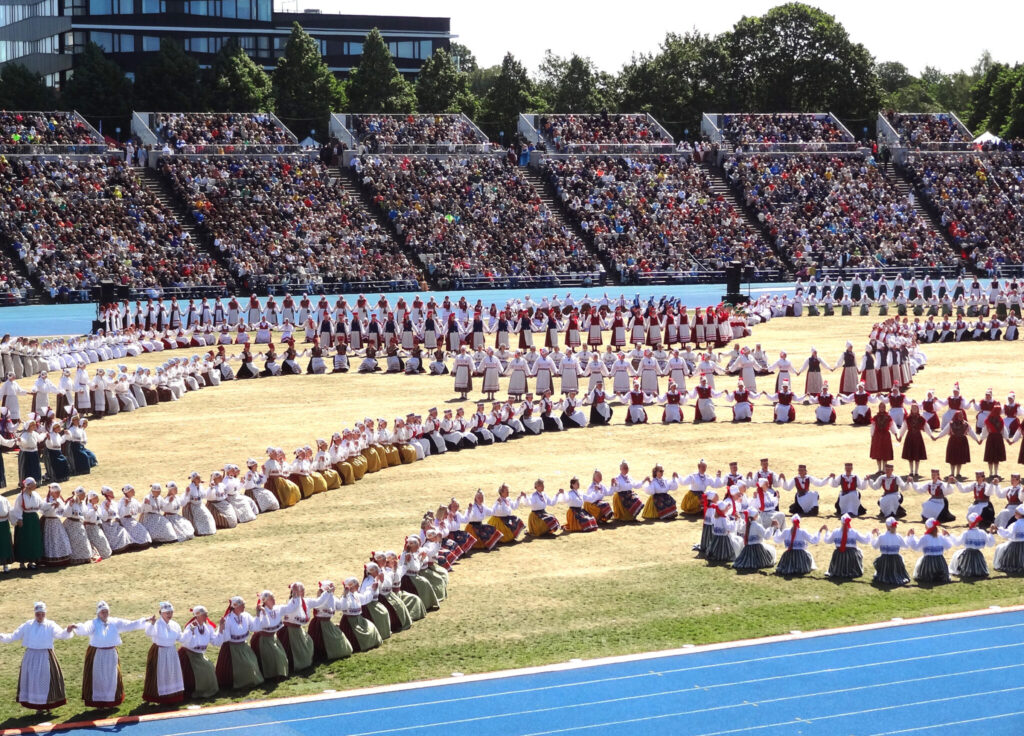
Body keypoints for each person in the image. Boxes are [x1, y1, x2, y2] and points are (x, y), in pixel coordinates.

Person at [71, 601, 147, 708]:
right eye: (102, 612)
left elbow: (129, 624)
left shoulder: (114, 622)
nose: (104, 613)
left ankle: (111, 701)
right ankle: (99, 703)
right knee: (98, 678)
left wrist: (145, 621)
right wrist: (78, 627)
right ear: (98, 613)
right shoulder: (93, 623)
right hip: (97, 654)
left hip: (111, 654)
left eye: (106, 611)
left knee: (112, 677)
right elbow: (85, 629)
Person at [0, 602, 74, 711]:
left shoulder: (50, 625)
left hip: (45, 656)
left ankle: (48, 704)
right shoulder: (28, 625)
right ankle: (37, 706)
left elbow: (60, 634)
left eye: (42, 614)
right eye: (38, 614)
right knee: (33, 681)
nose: (40, 616)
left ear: (45, 613)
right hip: (31, 656)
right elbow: (14, 636)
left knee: (46, 680)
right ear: (35, 614)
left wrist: (67, 630)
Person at [216, 597, 264, 690]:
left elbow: (254, 627)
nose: (244, 606)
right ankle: (242, 683)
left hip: (244, 646)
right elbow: (225, 638)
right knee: (245, 666)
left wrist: (258, 615)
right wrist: (222, 627)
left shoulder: (246, 615)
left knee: (252, 662)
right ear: (235, 606)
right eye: (242, 605)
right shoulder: (228, 619)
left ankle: (251, 681)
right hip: (232, 649)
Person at [142, 602, 185, 705]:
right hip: (159, 651)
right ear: (161, 613)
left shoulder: (175, 624)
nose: (169, 615)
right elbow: (149, 632)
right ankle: (155, 696)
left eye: (171, 612)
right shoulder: (156, 624)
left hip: (171, 651)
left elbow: (180, 637)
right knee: (157, 674)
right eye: (167, 613)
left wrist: (190, 631)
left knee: (171, 673)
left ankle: (172, 696)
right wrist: (152, 623)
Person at [177, 605, 220, 699]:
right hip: (189, 655)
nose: (206, 617)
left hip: (198, 655)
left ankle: (207, 689)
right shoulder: (191, 626)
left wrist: (221, 629)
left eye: (206, 615)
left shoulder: (207, 627)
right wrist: (191, 630)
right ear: (197, 616)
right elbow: (187, 641)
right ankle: (199, 690)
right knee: (204, 670)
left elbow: (215, 641)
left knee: (209, 667)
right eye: (204, 615)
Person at [305, 581, 353, 664]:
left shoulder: (332, 597)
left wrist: (345, 595)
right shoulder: (321, 598)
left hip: (328, 623)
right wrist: (327, 593)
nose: (333, 589)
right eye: (331, 587)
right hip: (319, 624)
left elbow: (341, 606)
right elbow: (320, 603)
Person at [907, 518, 956, 584]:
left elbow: (916, 547)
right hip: (940, 562)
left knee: (920, 562)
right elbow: (948, 545)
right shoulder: (940, 537)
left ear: (927, 527)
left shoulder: (925, 538)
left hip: (928, 562)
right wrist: (946, 535)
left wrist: (912, 536)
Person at [10, 478, 44, 569]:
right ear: (28, 485)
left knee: (34, 539)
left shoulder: (36, 495)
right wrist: (19, 519)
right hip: (25, 519)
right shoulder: (21, 496)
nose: (35, 485)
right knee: (23, 540)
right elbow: (17, 508)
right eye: (33, 484)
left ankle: (31, 561)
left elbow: (41, 505)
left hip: (33, 519)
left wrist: (50, 505)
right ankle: (22, 561)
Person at [949, 513, 995, 579]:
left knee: (956, 554)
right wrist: (990, 532)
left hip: (967, 555)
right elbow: (990, 544)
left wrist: (949, 535)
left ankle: (964, 569)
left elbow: (957, 543)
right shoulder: (982, 532)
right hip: (978, 555)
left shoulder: (966, 533)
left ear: (970, 522)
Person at [870, 517, 911, 587]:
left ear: (886, 526)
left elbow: (874, 546)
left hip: (884, 561)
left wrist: (874, 535)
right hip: (896, 561)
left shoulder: (881, 536)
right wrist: (908, 536)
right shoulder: (898, 536)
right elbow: (906, 546)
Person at [869, 403, 896, 473]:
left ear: (885, 408)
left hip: (885, 436)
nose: (881, 408)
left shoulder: (888, 417)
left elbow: (892, 426)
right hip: (877, 436)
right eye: (880, 407)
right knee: (878, 452)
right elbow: (873, 427)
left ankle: (884, 469)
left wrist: (895, 434)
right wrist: (872, 435)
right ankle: (879, 469)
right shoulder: (875, 417)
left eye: (883, 407)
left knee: (885, 452)